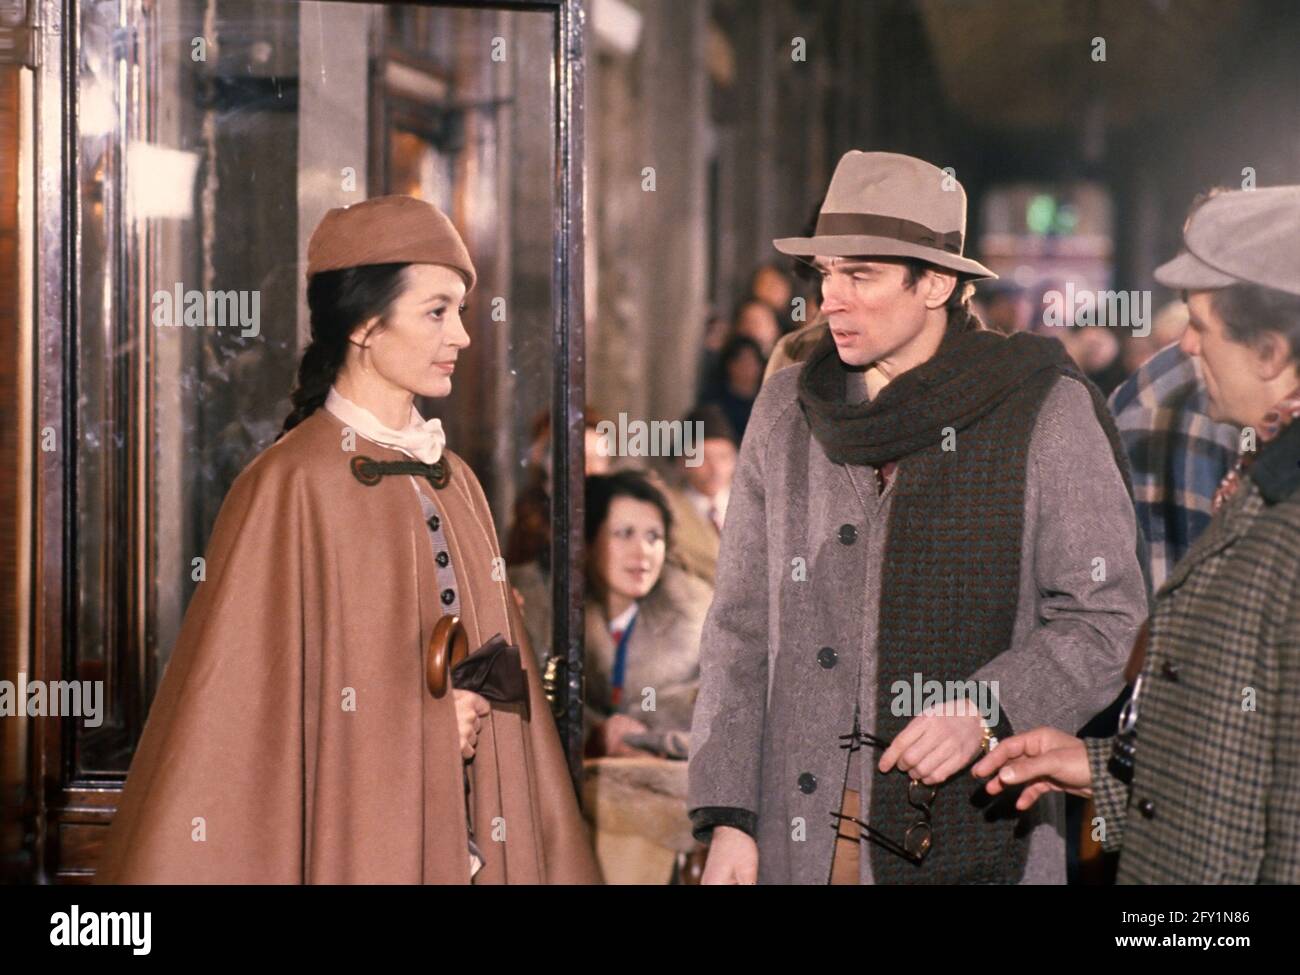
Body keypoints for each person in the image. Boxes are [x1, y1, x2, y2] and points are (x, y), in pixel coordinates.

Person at [96, 195, 600, 884]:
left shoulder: (457, 481)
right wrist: (424, 731)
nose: (462, 336)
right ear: (366, 324)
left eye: (461, 311)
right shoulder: (288, 486)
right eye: (437, 310)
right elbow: (251, 731)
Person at [688, 150, 1149, 885]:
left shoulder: (1041, 409)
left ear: (935, 282)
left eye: (859, 276)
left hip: (975, 826)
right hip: (800, 835)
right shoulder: (786, 410)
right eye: (827, 272)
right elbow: (740, 626)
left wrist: (988, 705)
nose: (830, 298)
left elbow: (1107, 617)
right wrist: (729, 817)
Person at [976, 185, 1300, 884]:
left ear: (1271, 350)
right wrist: (1098, 770)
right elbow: (1241, 767)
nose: (1183, 343)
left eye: (1203, 325)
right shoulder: (1262, 477)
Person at [582, 470, 711, 761]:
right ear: (588, 542)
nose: (642, 552)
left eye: (654, 537)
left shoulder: (697, 622)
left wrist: (649, 740)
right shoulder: (553, 622)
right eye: (624, 534)